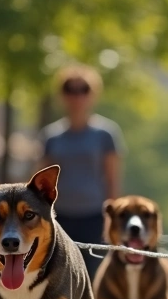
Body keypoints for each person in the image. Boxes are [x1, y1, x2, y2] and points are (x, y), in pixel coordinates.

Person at [38, 64, 125, 280]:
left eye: (83, 89)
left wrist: (112, 221)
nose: (77, 96)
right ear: (62, 95)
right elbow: (41, 184)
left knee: (91, 278)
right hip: (59, 218)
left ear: (92, 94)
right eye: (70, 89)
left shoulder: (106, 134)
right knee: (59, 279)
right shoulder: (51, 136)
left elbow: (112, 181)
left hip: (94, 218)